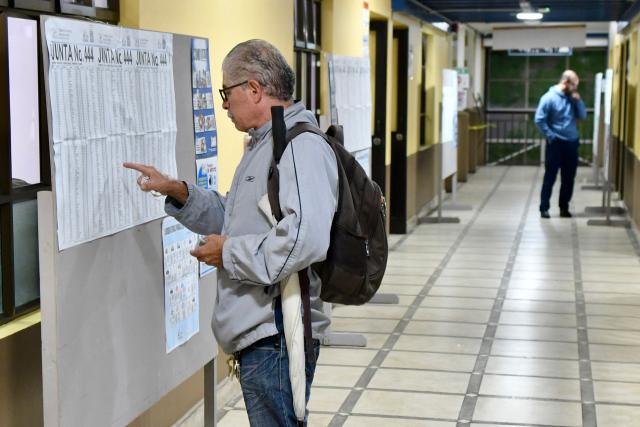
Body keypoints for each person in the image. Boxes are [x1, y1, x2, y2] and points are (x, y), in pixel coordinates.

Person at [124, 39, 337, 427]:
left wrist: (228, 254)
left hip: (275, 336)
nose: (223, 104)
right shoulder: (265, 144)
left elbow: (305, 237)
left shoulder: (299, 147)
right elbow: (233, 217)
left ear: (254, 89)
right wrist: (178, 191)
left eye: (227, 92)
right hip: (262, 334)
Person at [534, 69, 587, 218]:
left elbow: (582, 116)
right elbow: (539, 119)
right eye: (574, 85)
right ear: (565, 82)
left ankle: (564, 207)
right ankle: (544, 207)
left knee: (569, 177)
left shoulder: (572, 98)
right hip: (556, 143)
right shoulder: (548, 98)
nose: (575, 89)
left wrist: (578, 101)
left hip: (572, 143)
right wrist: (551, 136)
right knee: (550, 175)